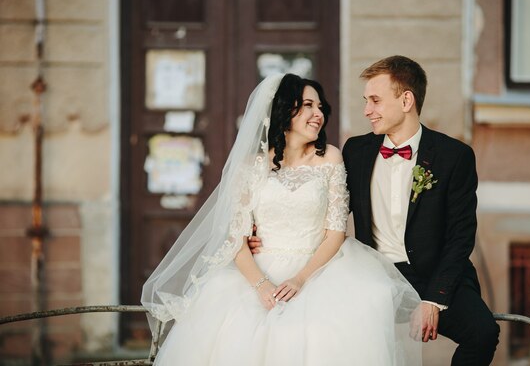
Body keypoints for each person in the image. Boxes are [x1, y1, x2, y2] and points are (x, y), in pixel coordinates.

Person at [142, 73, 422, 365]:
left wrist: (300, 279)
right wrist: (262, 286)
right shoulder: (251, 167)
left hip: (319, 270)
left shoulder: (330, 159)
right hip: (258, 271)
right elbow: (236, 239)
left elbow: (335, 232)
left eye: (320, 107)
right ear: (285, 110)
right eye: (308, 106)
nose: (318, 115)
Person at [344, 55, 500, 365]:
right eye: (366, 101)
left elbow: (461, 236)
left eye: (375, 100)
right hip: (375, 276)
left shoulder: (454, 156)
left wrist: (434, 299)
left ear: (406, 100)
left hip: (435, 272)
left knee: (483, 332)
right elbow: (326, 214)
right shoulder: (355, 151)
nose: (366, 111)